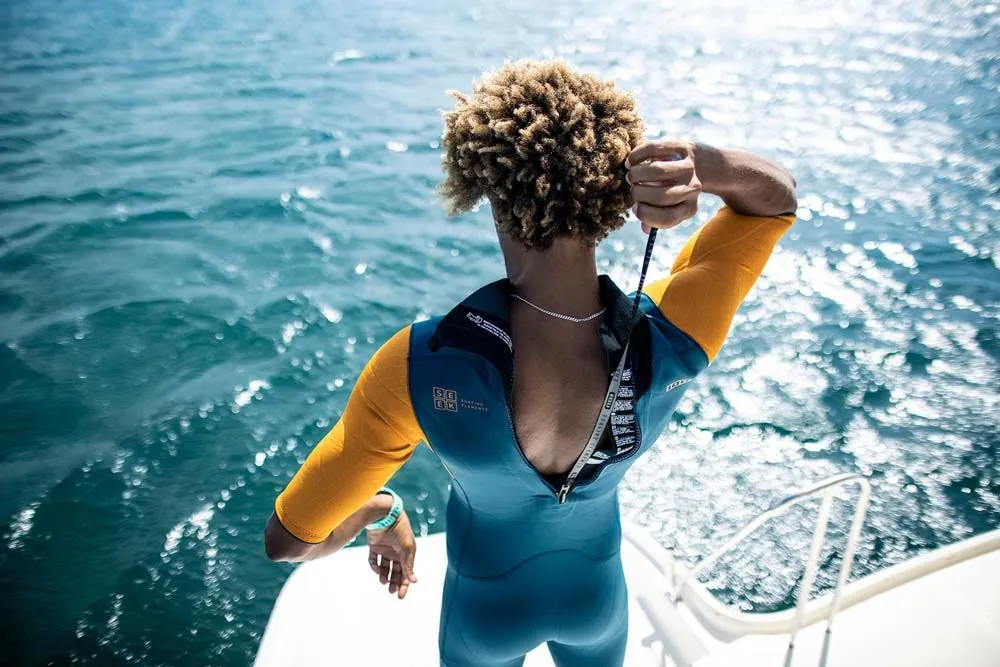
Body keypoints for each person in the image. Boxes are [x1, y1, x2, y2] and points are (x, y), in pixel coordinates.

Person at [263, 60, 797, 667]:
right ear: (611, 193)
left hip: (483, 618)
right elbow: (774, 203)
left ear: (489, 194)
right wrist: (701, 164)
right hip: (597, 605)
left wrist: (383, 511)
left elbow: (288, 543)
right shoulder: (679, 330)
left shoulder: (417, 365)